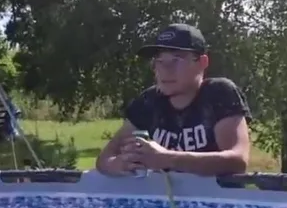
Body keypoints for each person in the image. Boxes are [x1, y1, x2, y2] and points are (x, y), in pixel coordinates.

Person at [95, 23, 253, 177]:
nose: (165, 70)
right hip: (162, 195)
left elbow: (237, 161)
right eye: (159, 60)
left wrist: (167, 159)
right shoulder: (148, 102)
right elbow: (104, 160)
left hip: (212, 195)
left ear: (202, 62)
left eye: (176, 60)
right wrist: (122, 164)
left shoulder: (219, 94)